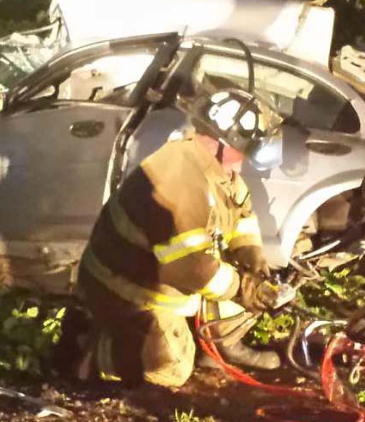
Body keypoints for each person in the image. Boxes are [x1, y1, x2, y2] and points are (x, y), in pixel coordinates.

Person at [74, 88, 285, 388]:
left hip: (165, 283)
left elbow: (242, 216)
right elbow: (189, 266)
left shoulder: (218, 171)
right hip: (125, 290)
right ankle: (91, 352)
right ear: (222, 142)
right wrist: (244, 286)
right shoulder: (181, 179)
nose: (248, 160)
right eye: (246, 149)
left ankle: (219, 348)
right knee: (170, 367)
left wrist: (252, 258)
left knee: (250, 288)